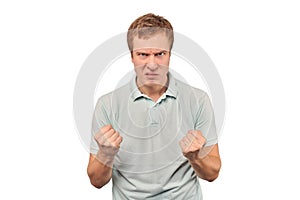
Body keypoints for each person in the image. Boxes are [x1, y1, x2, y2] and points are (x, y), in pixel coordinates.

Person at [87, 13, 221, 200]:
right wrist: (106, 154)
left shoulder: (198, 100)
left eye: (159, 54)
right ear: (132, 56)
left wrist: (196, 157)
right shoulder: (107, 104)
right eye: (143, 54)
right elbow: (96, 181)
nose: (152, 64)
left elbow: (213, 173)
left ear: (170, 55)